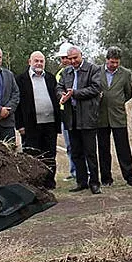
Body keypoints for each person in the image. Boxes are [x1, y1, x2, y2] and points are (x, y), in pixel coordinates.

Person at [57, 45, 103, 194]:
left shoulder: (93, 69)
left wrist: (75, 93)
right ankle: (81, 181)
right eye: (70, 59)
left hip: (88, 116)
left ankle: (95, 182)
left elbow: (96, 88)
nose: (73, 61)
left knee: (90, 152)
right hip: (71, 117)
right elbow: (58, 88)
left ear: (81, 55)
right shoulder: (66, 72)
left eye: (75, 58)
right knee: (76, 151)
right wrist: (62, 95)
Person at [16, 51, 60, 189]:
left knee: (50, 154)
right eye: (36, 61)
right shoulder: (21, 80)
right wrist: (20, 125)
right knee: (32, 154)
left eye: (41, 61)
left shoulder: (51, 78)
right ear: (30, 62)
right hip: (30, 125)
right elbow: (17, 104)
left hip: (50, 123)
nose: (39, 64)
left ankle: (49, 182)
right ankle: (34, 183)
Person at [96, 47, 132, 187]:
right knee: (103, 149)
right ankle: (106, 178)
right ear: (106, 59)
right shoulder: (97, 71)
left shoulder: (125, 74)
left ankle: (129, 176)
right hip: (101, 116)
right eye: (112, 62)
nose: (114, 65)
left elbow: (128, 94)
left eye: (117, 62)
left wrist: (117, 102)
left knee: (123, 147)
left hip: (118, 116)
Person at [54, 43, 76, 180]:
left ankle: (86, 171)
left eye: (66, 57)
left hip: (78, 112)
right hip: (64, 113)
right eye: (62, 58)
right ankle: (74, 171)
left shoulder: (79, 71)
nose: (64, 61)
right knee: (69, 145)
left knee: (82, 145)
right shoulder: (59, 74)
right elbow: (57, 90)